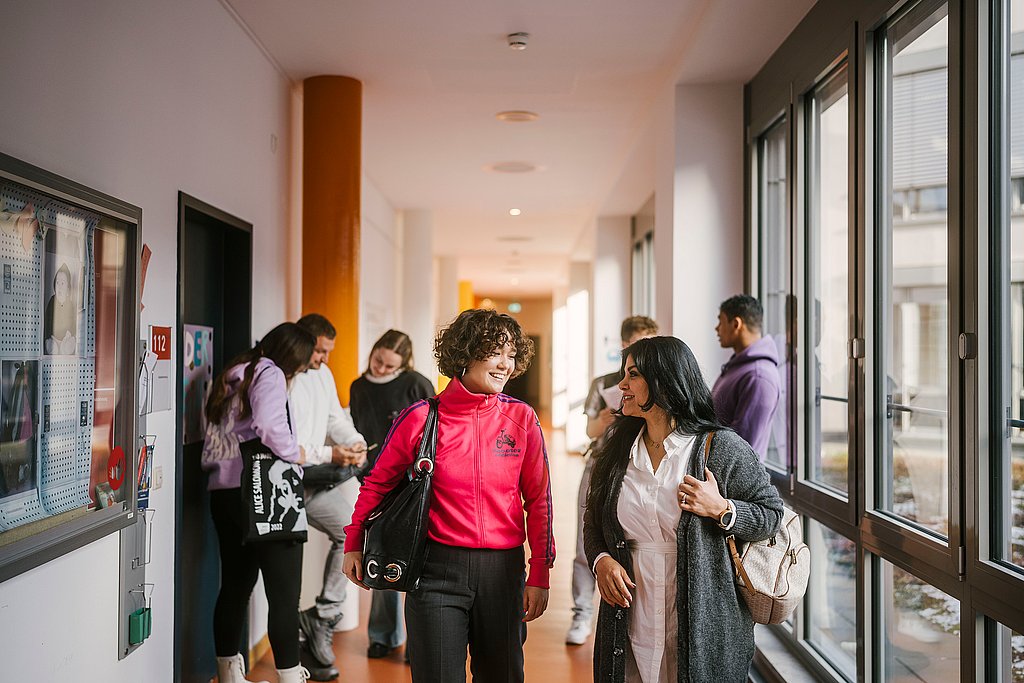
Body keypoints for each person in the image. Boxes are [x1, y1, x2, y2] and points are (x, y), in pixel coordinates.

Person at [342, 308, 555, 682]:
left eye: (511, 354)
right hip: (434, 571)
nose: (506, 364)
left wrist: (539, 572)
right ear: (465, 353)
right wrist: (354, 541)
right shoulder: (420, 417)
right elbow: (377, 483)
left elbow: (539, 500)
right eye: (495, 352)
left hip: (503, 573)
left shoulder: (521, 418)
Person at [584, 336, 784, 682]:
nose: (622, 385)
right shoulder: (617, 452)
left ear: (662, 380)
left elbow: (770, 515)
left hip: (702, 619)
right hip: (631, 614)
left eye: (633, 375)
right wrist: (601, 561)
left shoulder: (721, 448)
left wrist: (722, 508)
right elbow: (593, 521)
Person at [201, 322, 316, 683]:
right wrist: (293, 453)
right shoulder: (269, 373)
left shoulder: (232, 375)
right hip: (264, 493)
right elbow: (268, 423)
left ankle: (229, 675)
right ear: (292, 358)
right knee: (284, 596)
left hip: (225, 493)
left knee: (235, 586)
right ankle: (290, 677)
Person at [566, 315, 658, 646]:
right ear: (624, 345)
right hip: (601, 465)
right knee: (586, 541)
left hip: (636, 467)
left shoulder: (658, 382)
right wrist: (607, 419)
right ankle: (581, 613)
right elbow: (589, 430)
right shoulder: (604, 382)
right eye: (636, 343)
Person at [348, 329, 435, 660]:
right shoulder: (359, 387)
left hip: (416, 483)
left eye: (389, 366)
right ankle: (382, 635)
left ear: (404, 364)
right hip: (377, 480)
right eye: (378, 361)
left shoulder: (417, 384)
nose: (381, 369)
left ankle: (420, 641)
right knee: (380, 557)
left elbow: (433, 431)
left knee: (421, 562)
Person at [291, 314, 368, 679]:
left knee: (357, 534)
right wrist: (333, 454)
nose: (323, 359)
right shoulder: (282, 378)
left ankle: (321, 617)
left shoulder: (321, 373)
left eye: (327, 352)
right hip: (289, 482)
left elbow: (334, 418)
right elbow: (289, 445)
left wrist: (352, 441)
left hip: (318, 479)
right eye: (319, 351)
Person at [712, 294, 781, 461]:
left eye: (721, 321)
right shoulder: (739, 366)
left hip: (731, 482)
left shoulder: (759, 377)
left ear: (736, 324)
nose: (717, 328)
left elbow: (742, 446)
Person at [44, 263, 78, 355]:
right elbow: (47, 320)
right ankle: (55, 348)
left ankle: (65, 349)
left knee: (70, 344)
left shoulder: (70, 304)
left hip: (65, 339)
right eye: (57, 282)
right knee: (51, 346)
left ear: (68, 288)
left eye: (62, 283)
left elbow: (74, 322)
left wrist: (70, 333)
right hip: (53, 338)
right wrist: (49, 335)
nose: (59, 286)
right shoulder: (52, 301)